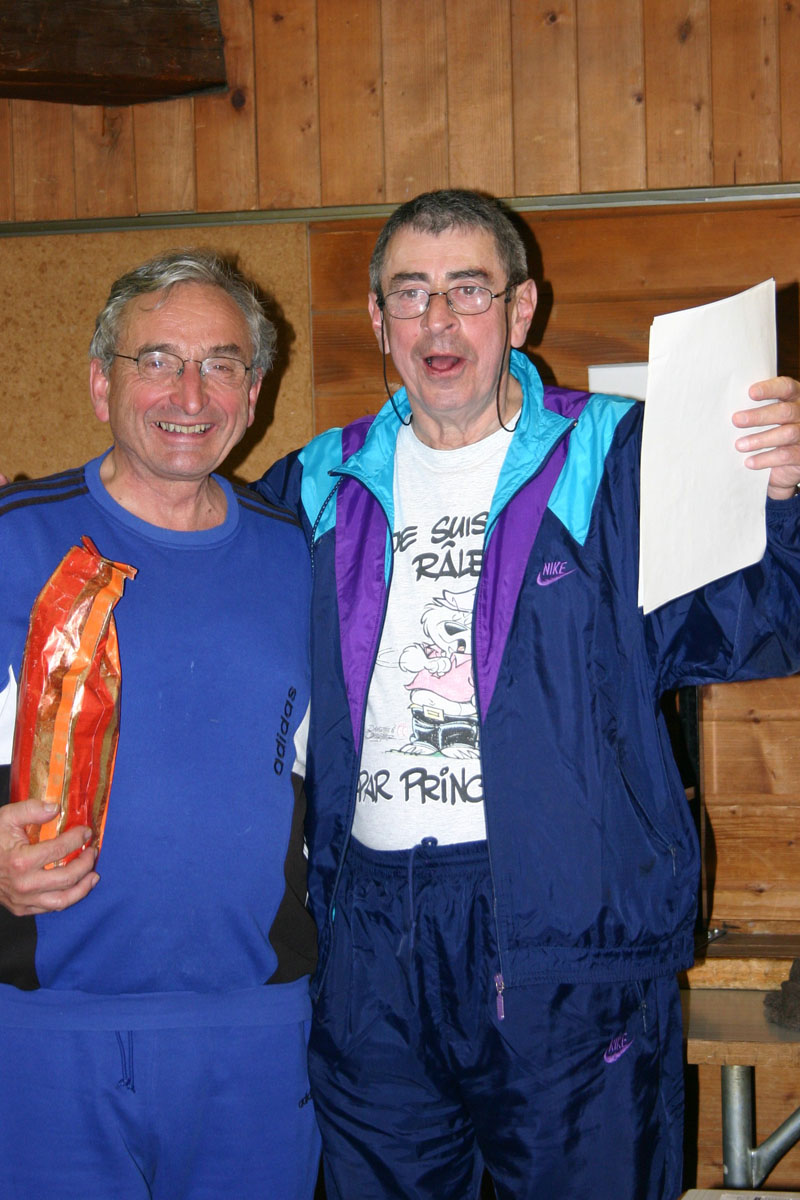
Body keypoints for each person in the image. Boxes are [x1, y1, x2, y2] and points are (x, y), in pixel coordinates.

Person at [256, 189, 800, 1200]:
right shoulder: (316, 483)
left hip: (569, 927)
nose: (438, 321)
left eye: (468, 290)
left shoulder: (620, 456)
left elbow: (760, 620)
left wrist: (785, 494)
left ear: (520, 309)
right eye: (410, 294)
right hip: (369, 936)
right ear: (377, 319)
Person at [0, 250, 320, 1200]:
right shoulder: (13, 538)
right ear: (102, 384)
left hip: (258, 1033)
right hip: (45, 1030)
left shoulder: (300, 556)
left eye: (221, 363)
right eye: (157, 361)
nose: (190, 393)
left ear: (254, 395)